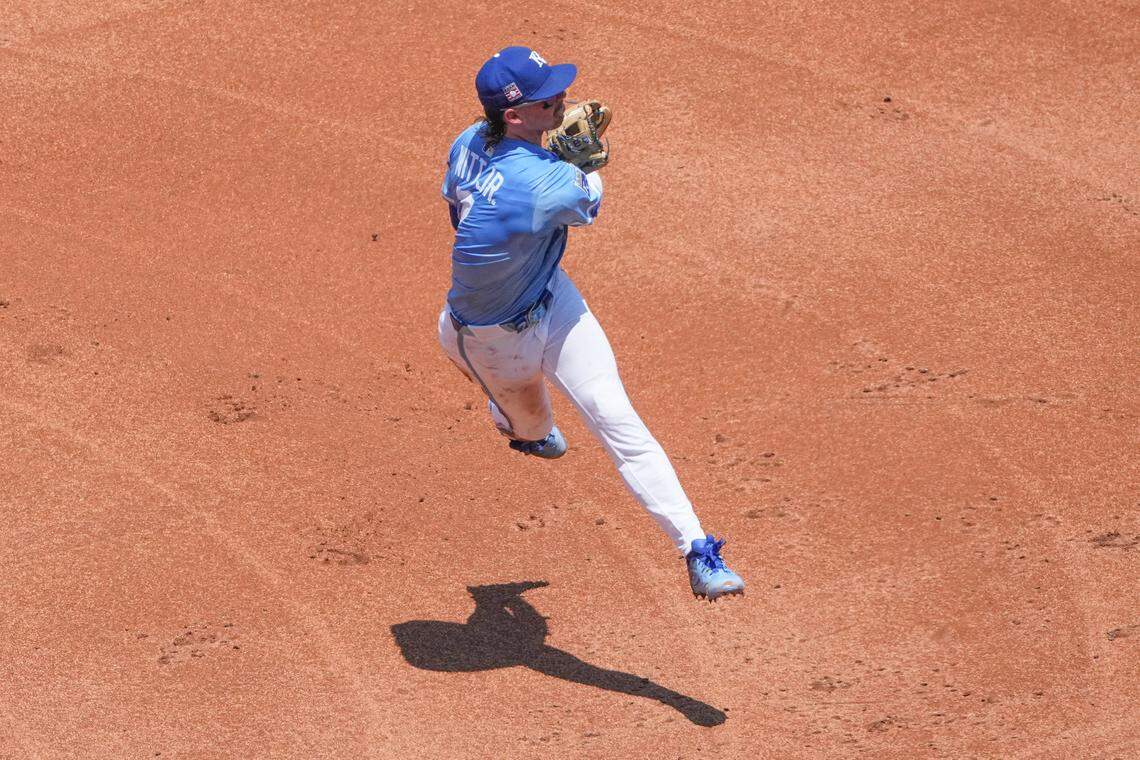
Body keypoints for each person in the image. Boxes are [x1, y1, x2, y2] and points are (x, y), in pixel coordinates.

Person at [437, 46, 745, 601]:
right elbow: (584, 192)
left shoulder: (468, 139)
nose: (561, 98)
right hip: (489, 342)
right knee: (539, 436)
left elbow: (459, 206)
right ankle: (515, 421)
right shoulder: (546, 187)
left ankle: (697, 550)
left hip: (550, 299)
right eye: (546, 97)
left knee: (616, 417)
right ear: (512, 114)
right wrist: (580, 162)